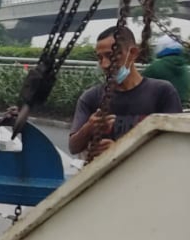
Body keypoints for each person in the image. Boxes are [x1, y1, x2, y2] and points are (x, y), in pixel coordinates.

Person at [69, 26, 183, 158]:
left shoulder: (162, 92)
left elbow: (174, 143)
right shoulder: (91, 97)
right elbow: (73, 147)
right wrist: (89, 127)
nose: (105, 64)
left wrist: (119, 150)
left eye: (111, 56)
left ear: (133, 53)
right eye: (100, 58)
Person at [142, 35, 189, 103]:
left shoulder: (156, 67)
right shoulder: (184, 68)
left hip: (165, 110)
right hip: (185, 109)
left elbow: (137, 84)